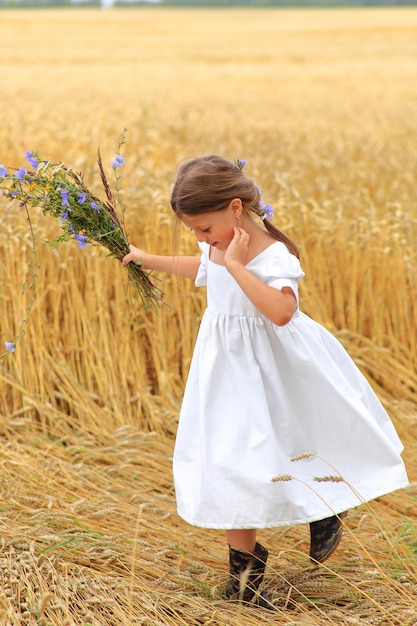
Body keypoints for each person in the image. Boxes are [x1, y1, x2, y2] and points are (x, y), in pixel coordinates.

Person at [122, 155, 408, 609]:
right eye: (194, 232)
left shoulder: (273, 253)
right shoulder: (220, 245)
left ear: (235, 208)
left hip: (278, 366)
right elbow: (203, 269)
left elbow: (280, 311)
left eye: (203, 229)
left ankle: (326, 506)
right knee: (230, 461)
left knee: (297, 439)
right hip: (227, 366)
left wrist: (237, 266)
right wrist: (146, 259)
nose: (201, 239)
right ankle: (245, 582)